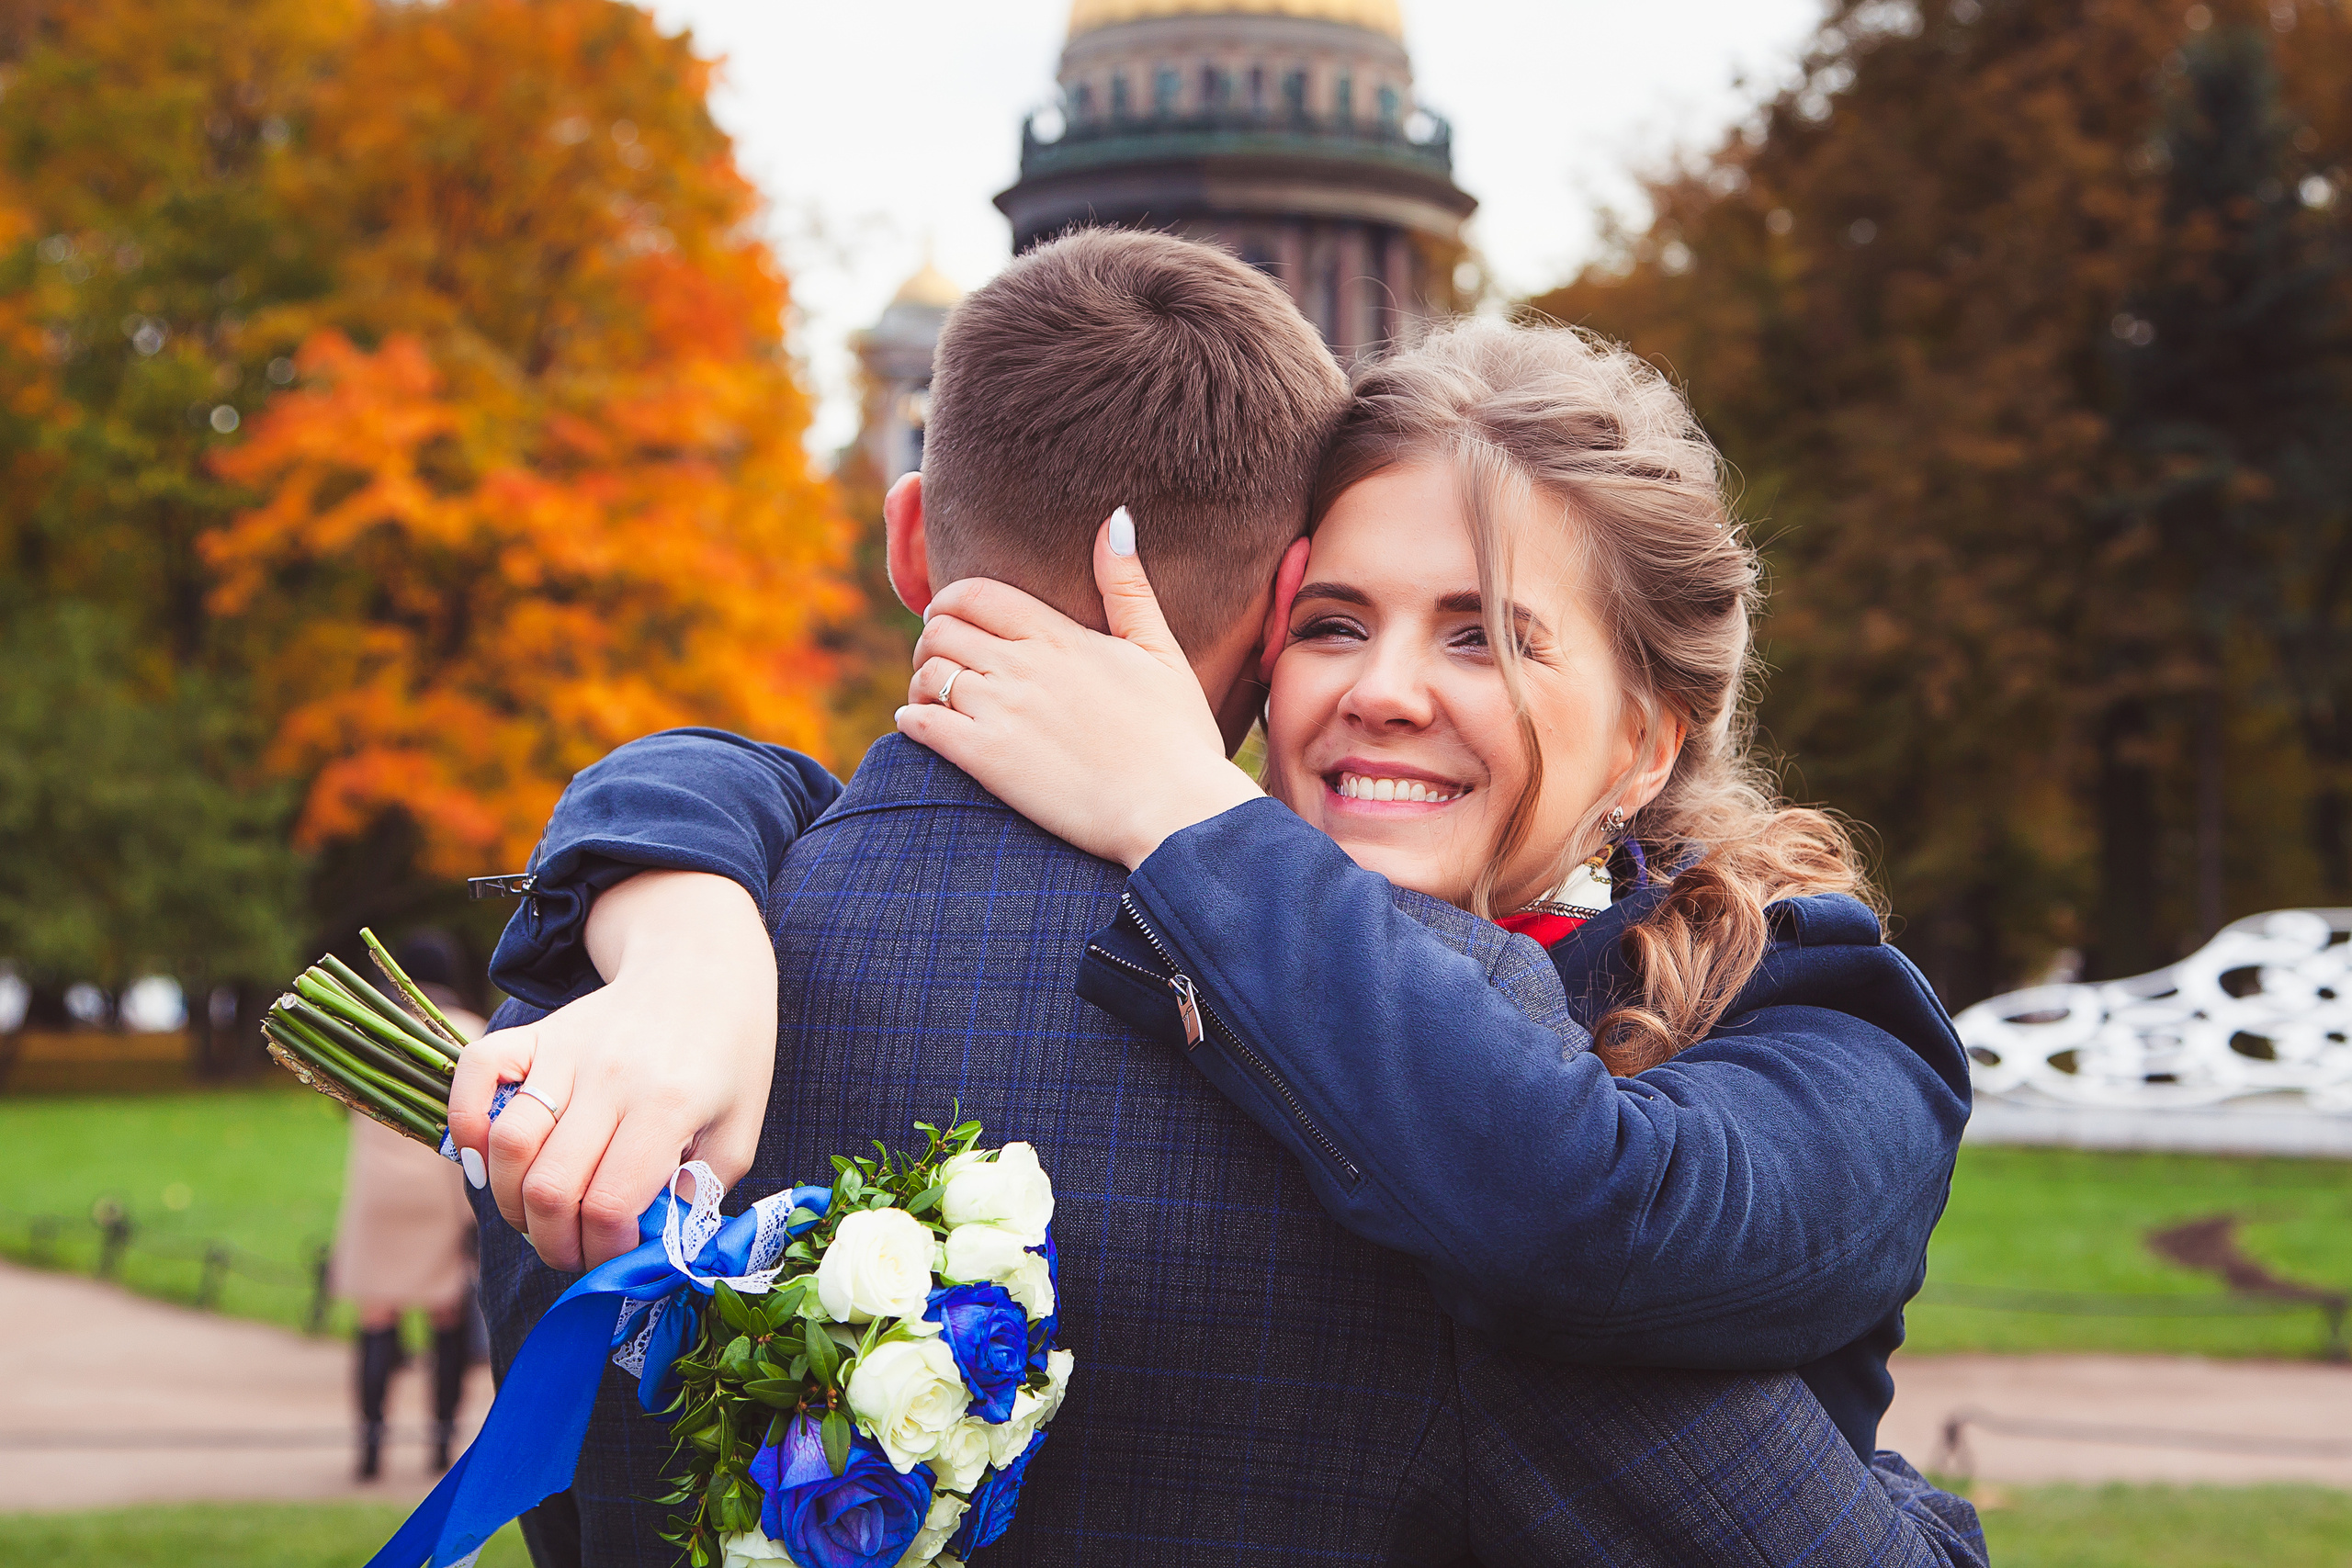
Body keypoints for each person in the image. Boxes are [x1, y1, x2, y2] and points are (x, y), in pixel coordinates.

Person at [458, 229, 1983, 1565]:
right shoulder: (647, 1031)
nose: (1384, 690)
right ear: (1262, 630)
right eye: (1334, 621)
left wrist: (1188, 811)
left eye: (1482, 638)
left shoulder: (1812, 1022)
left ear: (1653, 734)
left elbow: (1583, 1200)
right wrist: (683, 934)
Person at [330, 931, 483, 1479]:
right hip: (440, 1195)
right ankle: (440, 1447)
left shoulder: (367, 1033)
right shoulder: (467, 1035)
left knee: (377, 1315)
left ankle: (369, 1451)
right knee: (447, 1317)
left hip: (379, 1197)